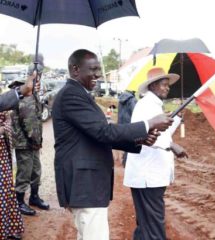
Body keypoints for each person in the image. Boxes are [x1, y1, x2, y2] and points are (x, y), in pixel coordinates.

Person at [52, 49, 173, 240]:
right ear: (75, 70)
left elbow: (99, 134)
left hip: (87, 185)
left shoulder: (79, 94)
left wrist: (139, 141)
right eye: (92, 69)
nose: (98, 75)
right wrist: (148, 124)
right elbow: (103, 133)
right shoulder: (71, 96)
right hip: (85, 185)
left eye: (98, 69)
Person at [124, 67, 188, 240]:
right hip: (147, 176)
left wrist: (176, 119)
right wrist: (172, 145)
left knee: (146, 224)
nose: (167, 88)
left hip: (150, 176)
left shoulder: (154, 105)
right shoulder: (145, 106)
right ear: (152, 86)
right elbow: (141, 135)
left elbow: (161, 133)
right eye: (164, 85)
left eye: (168, 85)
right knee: (153, 225)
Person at [10, 63, 49, 217]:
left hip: (31, 142)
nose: (39, 79)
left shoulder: (31, 91)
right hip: (25, 142)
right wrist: (36, 140)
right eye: (38, 76)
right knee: (24, 173)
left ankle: (34, 197)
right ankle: (19, 201)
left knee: (35, 171)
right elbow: (29, 121)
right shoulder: (24, 93)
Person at [0, 101, 24, 239]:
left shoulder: (2, 103)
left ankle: (8, 229)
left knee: (6, 190)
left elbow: (9, 120)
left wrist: (3, 129)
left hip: (2, 154)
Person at [117, 89, 137, 167]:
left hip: (121, 125)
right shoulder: (132, 100)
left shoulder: (120, 99)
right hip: (129, 126)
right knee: (131, 145)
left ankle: (125, 163)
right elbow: (135, 113)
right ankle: (128, 164)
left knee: (125, 145)